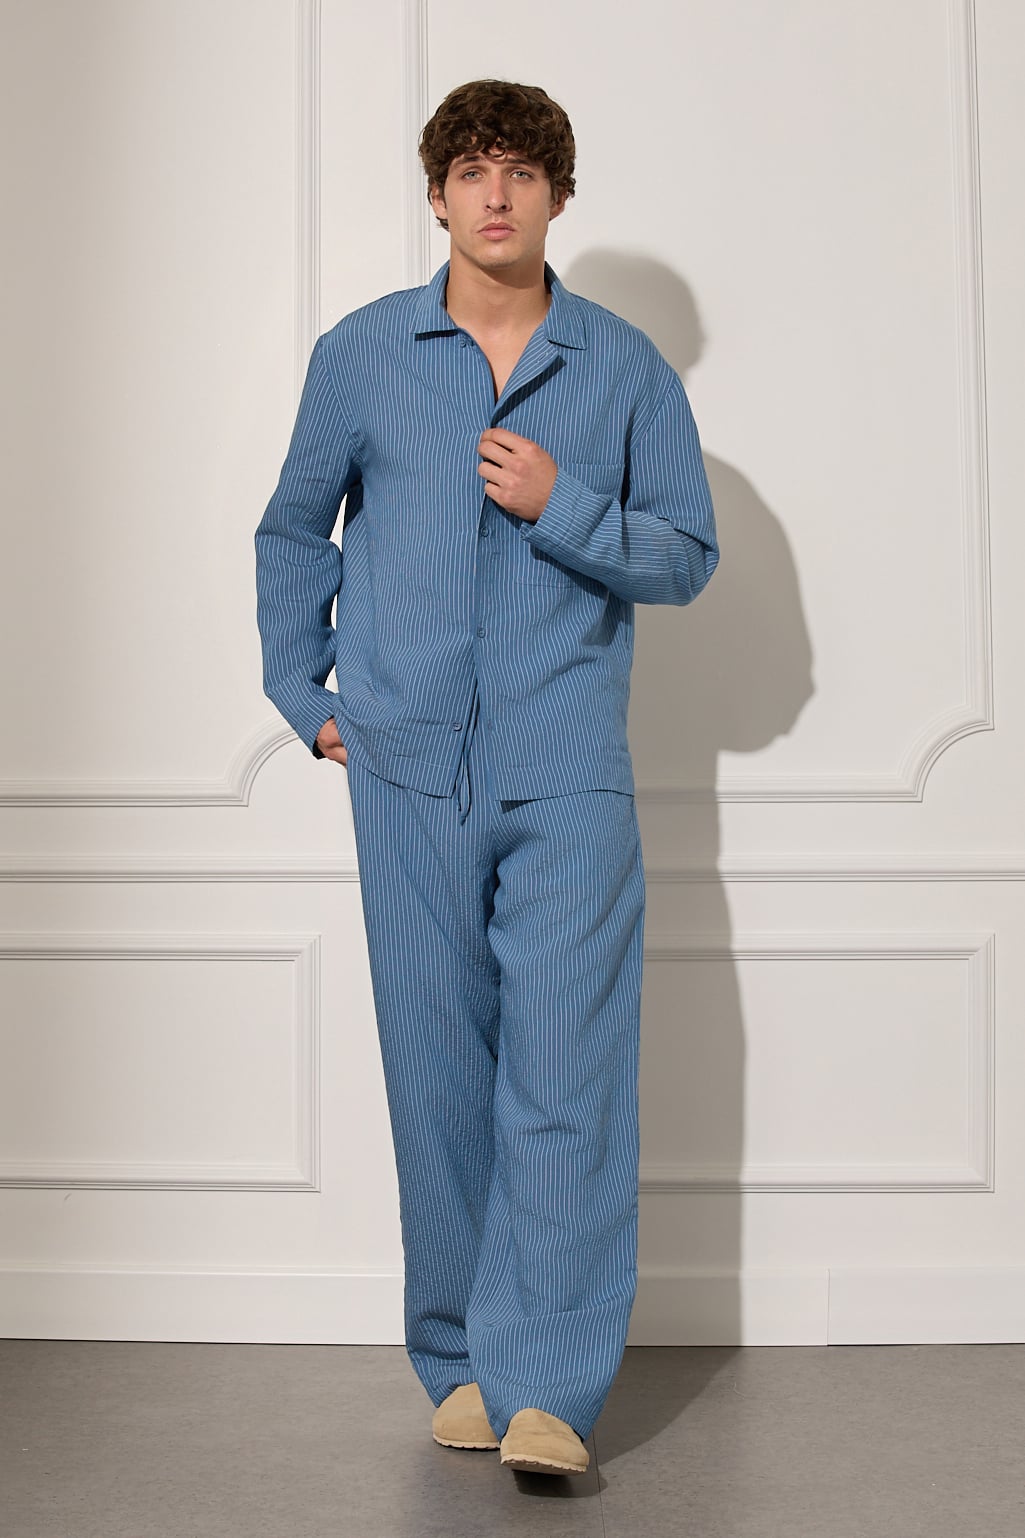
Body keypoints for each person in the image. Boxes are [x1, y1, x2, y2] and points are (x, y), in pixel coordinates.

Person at [254, 78, 719, 1478]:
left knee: (567, 1075)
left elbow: (686, 554)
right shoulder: (360, 356)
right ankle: (458, 1358)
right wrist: (305, 697)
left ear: (558, 195)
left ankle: (549, 1390)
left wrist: (561, 503)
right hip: (405, 766)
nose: (496, 193)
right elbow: (293, 531)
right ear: (438, 193)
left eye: (521, 170)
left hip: (565, 769)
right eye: (470, 169)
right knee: (438, 1074)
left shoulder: (623, 367)